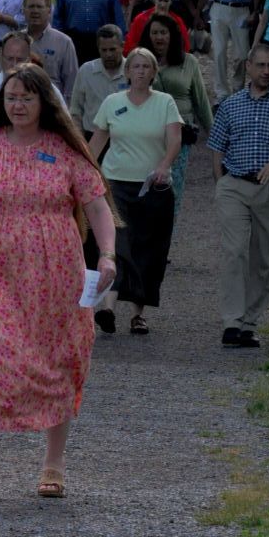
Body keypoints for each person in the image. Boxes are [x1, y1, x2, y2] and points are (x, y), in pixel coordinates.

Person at [0, 64, 118, 502]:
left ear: (44, 102)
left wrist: (108, 254)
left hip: (56, 276)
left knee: (58, 362)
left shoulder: (64, 148)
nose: (17, 105)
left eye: (26, 98)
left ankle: (54, 463)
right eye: (11, 97)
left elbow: (97, 206)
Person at [208, 44, 269, 349]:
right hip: (235, 184)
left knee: (264, 257)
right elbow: (217, 146)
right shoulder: (230, 105)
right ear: (248, 67)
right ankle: (232, 321)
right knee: (234, 251)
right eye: (261, 65)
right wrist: (221, 183)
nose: (266, 71)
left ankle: (249, 323)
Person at [87, 48, 182, 337]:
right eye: (135, 66)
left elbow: (174, 140)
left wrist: (164, 166)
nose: (140, 71)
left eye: (146, 67)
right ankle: (107, 308)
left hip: (152, 186)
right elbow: (96, 144)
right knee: (117, 244)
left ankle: (138, 314)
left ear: (154, 72)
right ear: (127, 72)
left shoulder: (165, 103)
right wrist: (84, 172)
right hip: (115, 184)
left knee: (147, 249)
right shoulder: (112, 102)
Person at [146, 12, 213, 216]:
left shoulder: (189, 62)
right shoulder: (141, 61)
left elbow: (201, 102)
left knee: (172, 187)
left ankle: (168, 228)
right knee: (145, 186)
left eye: (163, 32)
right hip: (146, 134)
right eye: (154, 33)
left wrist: (216, 136)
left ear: (172, 35)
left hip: (179, 135)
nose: (159, 37)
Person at [199, 0, 266, 103]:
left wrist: (255, 11)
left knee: (242, 54)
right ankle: (222, 92)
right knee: (219, 52)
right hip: (219, 8)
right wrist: (198, 12)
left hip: (241, 9)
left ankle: (238, 89)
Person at [69, 24, 128, 136]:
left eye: (112, 49)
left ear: (122, 46)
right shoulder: (86, 71)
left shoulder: (133, 71)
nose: (108, 54)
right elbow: (76, 110)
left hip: (125, 137)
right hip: (91, 135)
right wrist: (79, 139)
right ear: (98, 48)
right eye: (104, 50)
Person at [23, 0, 79, 101]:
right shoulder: (14, 41)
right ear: (24, 10)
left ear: (49, 11)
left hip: (52, 105)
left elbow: (72, 84)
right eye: (31, 6)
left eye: (39, 6)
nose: (35, 11)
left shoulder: (64, 42)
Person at [125, 0, 191, 55]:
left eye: (166, 1)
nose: (162, 5)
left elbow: (186, 47)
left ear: (170, 2)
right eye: (160, 0)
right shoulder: (141, 19)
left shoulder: (177, 21)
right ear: (155, 0)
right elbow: (130, 45)